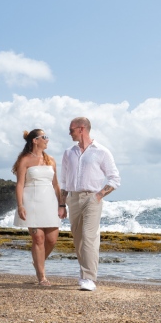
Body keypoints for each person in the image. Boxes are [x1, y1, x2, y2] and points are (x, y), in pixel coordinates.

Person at [59, 117, 120, 291]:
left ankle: (88, 277)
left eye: (71, 129)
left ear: (81, 129)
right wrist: (62, 204)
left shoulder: (101, 151)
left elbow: (115, 179)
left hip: (92, 198)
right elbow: (64, 181)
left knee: (88, 236)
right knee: (78, 238)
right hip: (72, 198)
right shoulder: (68, 152)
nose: (69, 133)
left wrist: (99, 195)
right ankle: (84, 273)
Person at [13, 129, 65, 286]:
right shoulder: (25, 160)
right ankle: (42, 276)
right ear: (35, 140)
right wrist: (20, 205)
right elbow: (20, 184)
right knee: (38, 238)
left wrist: (62, 204)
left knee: (52, 239)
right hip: (31, 201)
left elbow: (56, 184)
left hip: (49, 202)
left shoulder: (51, 160)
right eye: (44, 137)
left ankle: (37, 262)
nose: (47, 140)